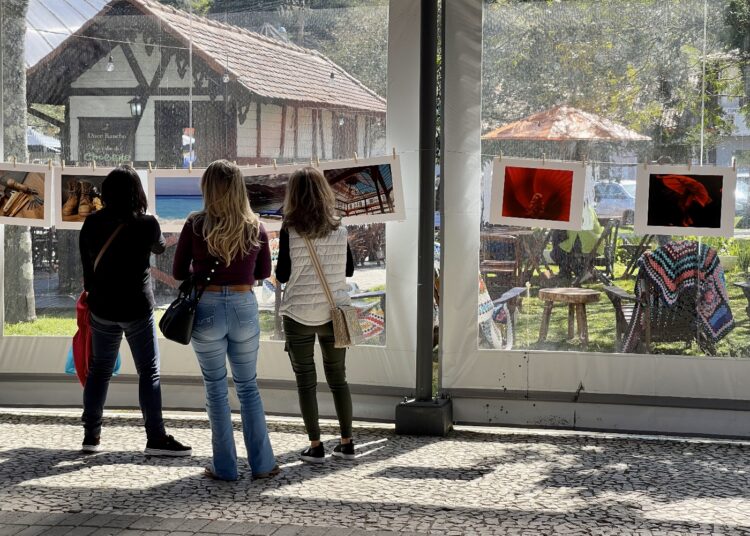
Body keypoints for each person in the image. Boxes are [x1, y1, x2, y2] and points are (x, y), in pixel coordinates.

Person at [173, 160, 278, 481]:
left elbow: (178, 272)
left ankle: (225, 467)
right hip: (245, 308)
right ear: (237, 189)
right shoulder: (254, 226)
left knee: (216, 390)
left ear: (208, 189)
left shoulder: (195, 224)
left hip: (206, 309)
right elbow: (262, 273)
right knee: (248, 387)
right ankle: (262, 464)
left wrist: (202, 272)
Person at [79, 165, 191, 456]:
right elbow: (159, 249)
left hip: (102, 306)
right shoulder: (147, 223)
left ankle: (91, 436)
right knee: (148, 372)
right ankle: (155, 437)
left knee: (99, 370)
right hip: (137, 308)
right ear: (137, 193)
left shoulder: (91, 223)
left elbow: (86, 268)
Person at [275, 167, 356, 464]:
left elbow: (282, 273)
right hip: (334, 313)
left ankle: (316, 445)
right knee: (338, 379)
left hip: (298, 314)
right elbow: (348, 270)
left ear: (293, 195)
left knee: (306, 381)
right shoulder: (340, 228)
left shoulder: (289, 229)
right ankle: (347, 442)